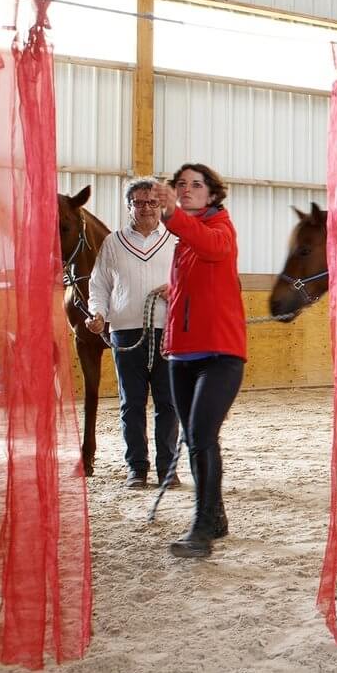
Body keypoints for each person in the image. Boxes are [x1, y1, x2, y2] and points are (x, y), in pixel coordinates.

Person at [152, 163, 247, 558]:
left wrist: (172, 213)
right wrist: (172, 337)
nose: (186, 190)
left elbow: (213, 248)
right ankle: (216, 515)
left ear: (212, 194)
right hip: (183, 355)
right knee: (194, 437)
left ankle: (203, 524)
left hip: (221, 356)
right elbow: (188, 297)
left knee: (202, 434)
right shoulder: (183, 245)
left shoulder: (220, 230)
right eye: (180, 185)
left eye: (195, 185)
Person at [86, 177, 180, 489]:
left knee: (168, 403)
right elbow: (99, 284)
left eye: (152, 202)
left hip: (167, 332)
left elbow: (193, 283)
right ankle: (137, 469)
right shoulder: (113, 243)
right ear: (129, 207)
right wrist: (98, 313)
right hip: (125, 333)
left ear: (161, 206)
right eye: (138, 202)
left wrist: (176, 290)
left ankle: (168, 469)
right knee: (131, 404)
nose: (146, 208)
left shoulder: (176, 241)